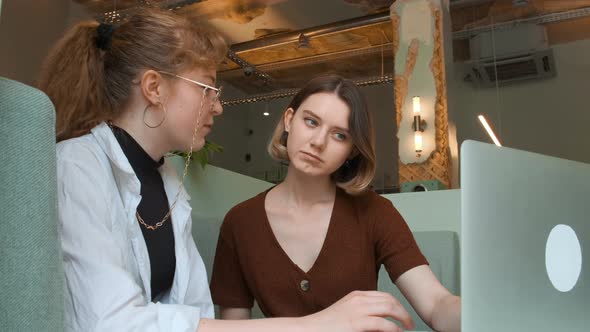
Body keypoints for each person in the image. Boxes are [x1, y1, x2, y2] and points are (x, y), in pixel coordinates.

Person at [38, 8, 408, 332]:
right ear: (154, 87)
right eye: (207, 89)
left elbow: (194, 312)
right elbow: (110, 323)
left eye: (340, 134)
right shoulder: (75, 166)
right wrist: (315, 325)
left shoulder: (168, 181)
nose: (218, 106)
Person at [210, 75, 461, 331]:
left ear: (352, 150)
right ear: (289, 120)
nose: (318, 142)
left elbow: (436, 304)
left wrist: (480, 310)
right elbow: (233, 327)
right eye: (311, 122)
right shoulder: (240, 222)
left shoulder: (375, 212)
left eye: (339, 135)